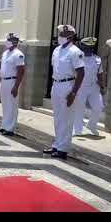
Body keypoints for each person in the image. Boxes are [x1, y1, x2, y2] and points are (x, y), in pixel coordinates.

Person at [43, 24, 84, 160]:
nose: (59, 37)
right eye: (60, 34)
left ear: (70, 36)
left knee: (66, 119)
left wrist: (73, 92)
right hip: (57, 84)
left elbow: (81, 73)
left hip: (68, 85)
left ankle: (63, 148)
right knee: (58, 117)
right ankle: (57, 144)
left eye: (62, 35)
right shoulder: (57, 50)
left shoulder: (75, 51)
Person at [73, 37, 104, 137]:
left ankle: (91, 125)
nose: (89, 49)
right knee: (79, 107)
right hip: (81, 86)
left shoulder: (97, 59)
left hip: (94, 87)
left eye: (91, 47)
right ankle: (77, 129)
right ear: (82, 47)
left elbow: (100, 74)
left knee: (99, 106)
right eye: (86, 47)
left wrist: (102, 85)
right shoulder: (78, 58)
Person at [0, 33, 26, 136]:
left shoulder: (18, 54)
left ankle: (10, 128)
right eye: (8, 39)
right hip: (4, 81)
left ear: (15, 41)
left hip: (12, 81)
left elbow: (21, 71)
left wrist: (16, 86)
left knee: (12, 105)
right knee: (5, 105)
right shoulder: (5, 53)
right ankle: (4, 125)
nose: (8, 41)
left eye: (10, 39)